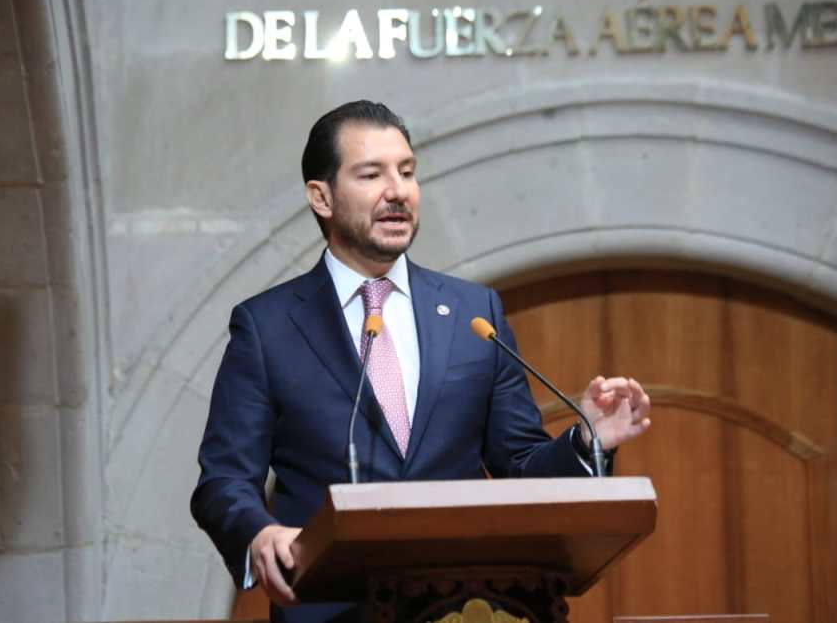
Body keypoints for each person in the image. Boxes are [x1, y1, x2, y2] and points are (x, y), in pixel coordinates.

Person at [191, 100, 652, 622]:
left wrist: (588, 440)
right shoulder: (267, 327)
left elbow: (520, 464)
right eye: (372, 175)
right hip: (331, 610)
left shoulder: (474, 313)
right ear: (321, 197)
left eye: (407, 172)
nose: (398, 191)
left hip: (466, 607)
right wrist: (259, 533)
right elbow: (223, 480)